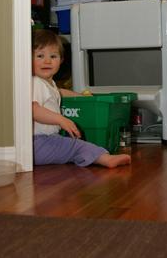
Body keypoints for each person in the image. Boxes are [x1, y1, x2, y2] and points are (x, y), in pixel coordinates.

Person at [32, 29, 131, 168]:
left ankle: (94, 156)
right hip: (38, 142)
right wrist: (61, 119)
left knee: (71, 142)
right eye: (40, 56)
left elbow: (60, 93)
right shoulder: (36, 83)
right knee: (76, 147)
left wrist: (81, 96)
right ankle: (104, 158)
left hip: (44, 141)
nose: (47, 61)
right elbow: (33, 109)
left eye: (53, 56)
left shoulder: (48, 84)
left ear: (61, 60)